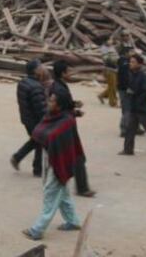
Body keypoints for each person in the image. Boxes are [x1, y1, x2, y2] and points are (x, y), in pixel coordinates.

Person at [22, 89, 84, 241]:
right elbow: (39, 132)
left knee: (51, 192)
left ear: (60, 105)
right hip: (50, 157)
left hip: (60, 161)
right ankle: (73, 221)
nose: (49, 103)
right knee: (62, 192)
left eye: (52, 101)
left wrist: (47, 138)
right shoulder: (53, 115)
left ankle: (37, 229)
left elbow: (49, 136)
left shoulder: (67, 121)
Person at [50, 61, 95, 198]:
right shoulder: (60, 90)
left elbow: (63, 106)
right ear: (63, 73)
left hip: (63, 126)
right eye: (68, 71)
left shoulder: (58, 86)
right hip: (66, 128)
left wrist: (74, 106)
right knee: (77, 156)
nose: (70, 73)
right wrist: (75, 112)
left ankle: (78, 186)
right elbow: (62, 109)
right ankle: (81, 188)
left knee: (71, 156)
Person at [120, 54, 146, 156]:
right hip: (133, 106)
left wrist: (133, 93)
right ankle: (128, 149)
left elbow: (144, 91)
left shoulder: (143, 76)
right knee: (130, 128)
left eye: (133, 62)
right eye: (130, 62)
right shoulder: (131, 74)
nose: (130, 64)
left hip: (141, 107)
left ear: (139, 64)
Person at [11, 60, 47, 176]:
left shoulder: (24, 82)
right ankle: (37, 169)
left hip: (26, 118)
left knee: (36, 141)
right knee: (39, 142)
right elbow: (40, 109)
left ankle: (17, 158)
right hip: (35, 120)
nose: (43, 68)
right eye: (41, 67)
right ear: (35, 70)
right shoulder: (36, 87)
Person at [116, 44, 134, 137]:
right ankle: (124, 129)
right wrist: (128, 87)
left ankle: (133, 127)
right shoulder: (124, 62)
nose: (133, 53)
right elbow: (125, 77)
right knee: (127, 109)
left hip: (123, 88)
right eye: (131, 52)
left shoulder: (124, 61)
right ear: (126, 53)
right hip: (125, 89)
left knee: (129, 109)